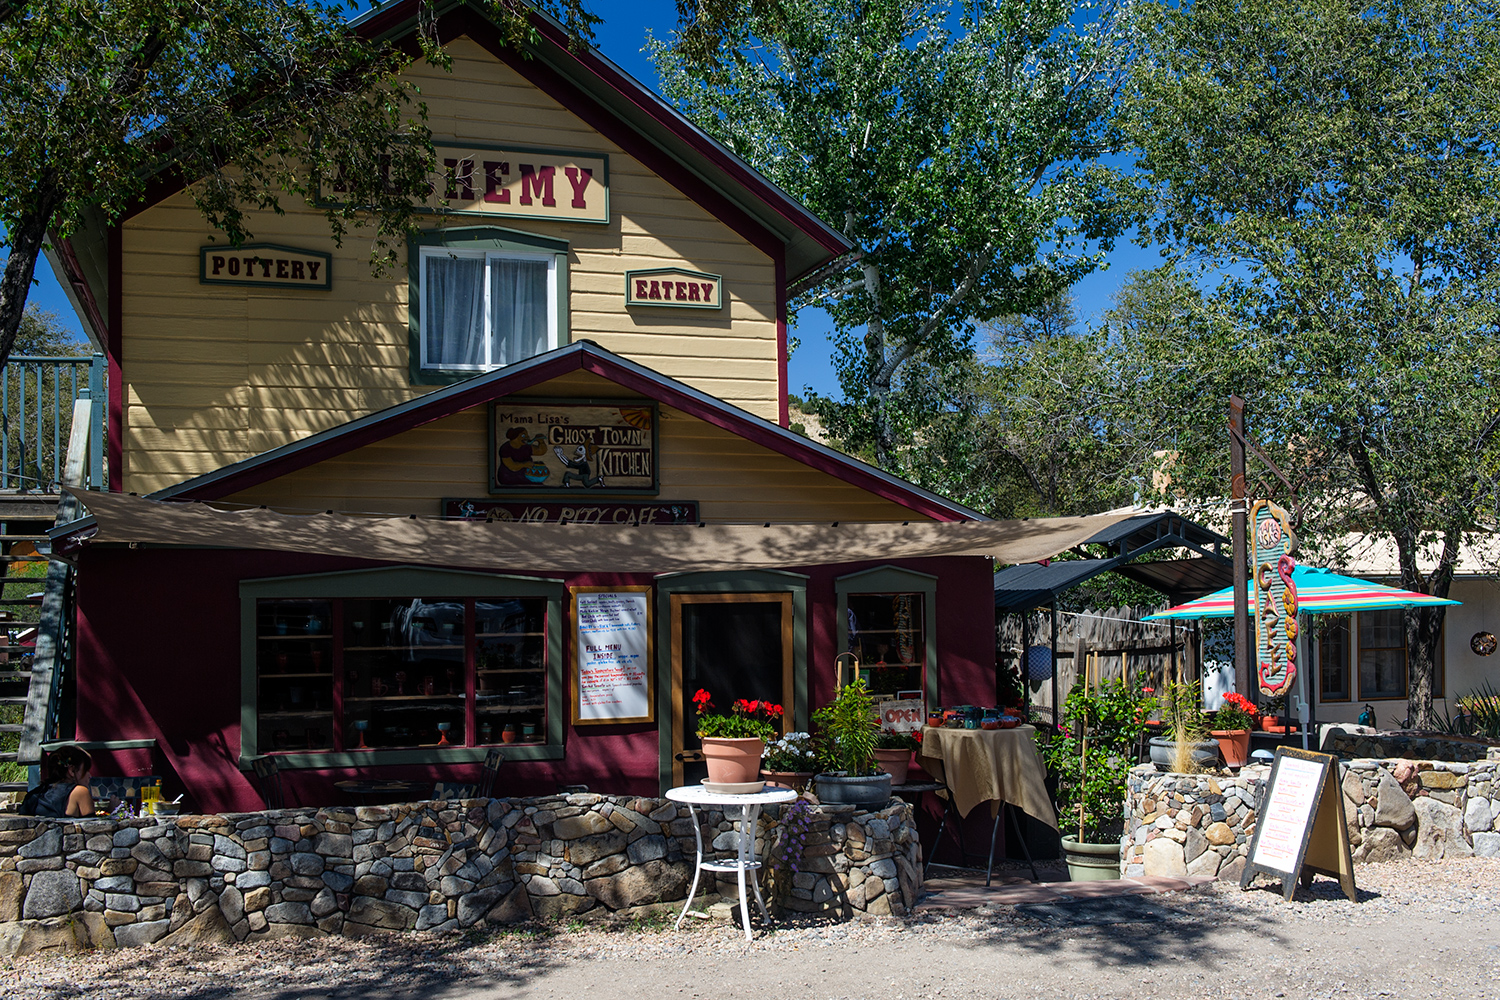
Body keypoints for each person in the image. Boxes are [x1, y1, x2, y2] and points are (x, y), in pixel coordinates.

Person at [20, 745, 109, 818]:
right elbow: (94, 830)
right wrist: (112, 811)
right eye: (86, 770)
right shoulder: (80, 792)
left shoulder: (32, 795)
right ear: (71, 771)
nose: (90, 775)